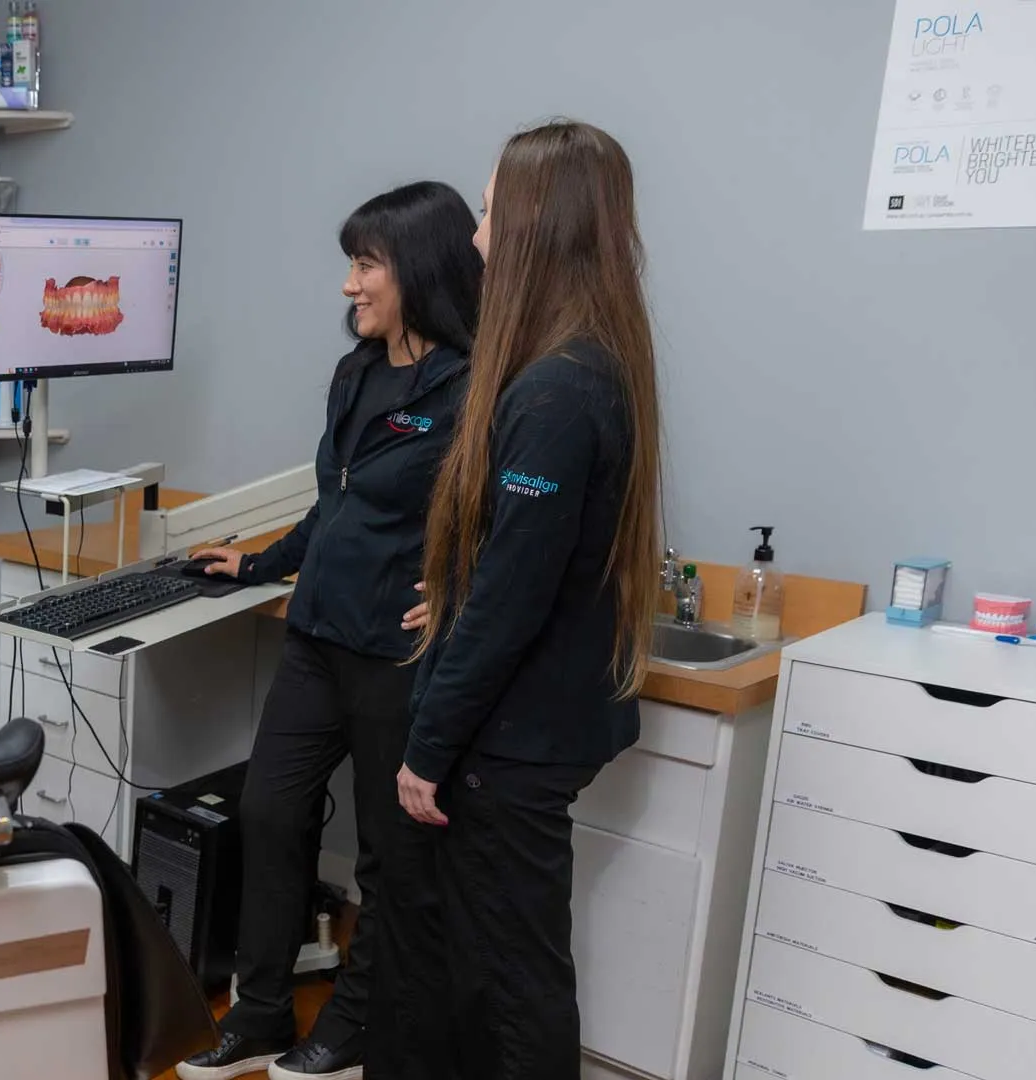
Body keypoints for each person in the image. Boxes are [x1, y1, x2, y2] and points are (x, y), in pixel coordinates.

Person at [371, 120, 663, 1080]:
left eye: (491, 210)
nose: (476, 234)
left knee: (511, 984)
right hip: (535, 723)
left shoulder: (555, 393)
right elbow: (525, 563)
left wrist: (428, 748)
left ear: (538, 225)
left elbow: (515, 598)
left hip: (513, 742)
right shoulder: (590, 362)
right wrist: (460, 588)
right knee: (488, 969)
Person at [175, 180, 483, 1080]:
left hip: (399, 652)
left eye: (365, 264)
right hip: (317, 635)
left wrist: (463, 589)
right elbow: (334, 501)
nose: (349, 285)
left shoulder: (472, 388)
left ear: (417, 269)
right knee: (269, 813)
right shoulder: (356, 372)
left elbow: (495, 517)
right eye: (350, 264)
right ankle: (260, 1013)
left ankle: (352, 1027)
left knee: (390, 854)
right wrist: (262, 564)